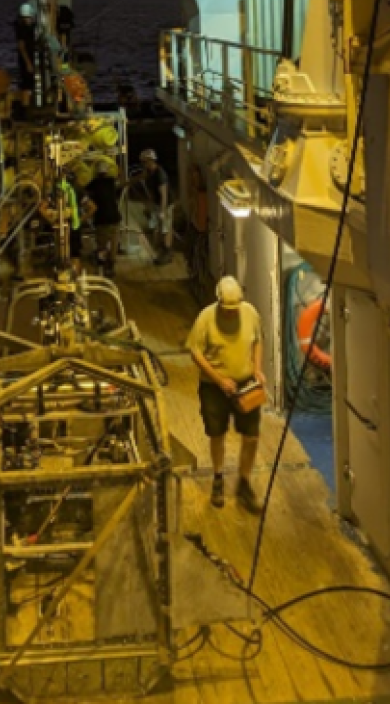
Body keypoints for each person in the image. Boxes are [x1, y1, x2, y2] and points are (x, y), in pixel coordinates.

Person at [188, 276, 266, 512]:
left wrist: (257, 369)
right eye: (227, 310)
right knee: (217, 434)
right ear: (219, 302)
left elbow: (257, 340)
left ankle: (244, 482)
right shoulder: (205, 318)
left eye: (235, 310)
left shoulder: (250, 313)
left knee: (251, 436)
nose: (231, 314)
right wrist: (220, 380)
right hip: (215, 388)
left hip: (246, 385)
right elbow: (196, 353)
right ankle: (218, 477)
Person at [129, 149, 172, 263]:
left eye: (145, 162)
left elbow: (164, 195)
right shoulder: (149, 172)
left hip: (165, 205)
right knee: (155, 227)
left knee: (165, 229)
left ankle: (167, 252)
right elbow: (141, 177)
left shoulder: (160, 174)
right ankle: (158, 250)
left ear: (151, 161)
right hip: (156, 204)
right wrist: (127, 182)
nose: (143, 164)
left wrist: (162, 211)